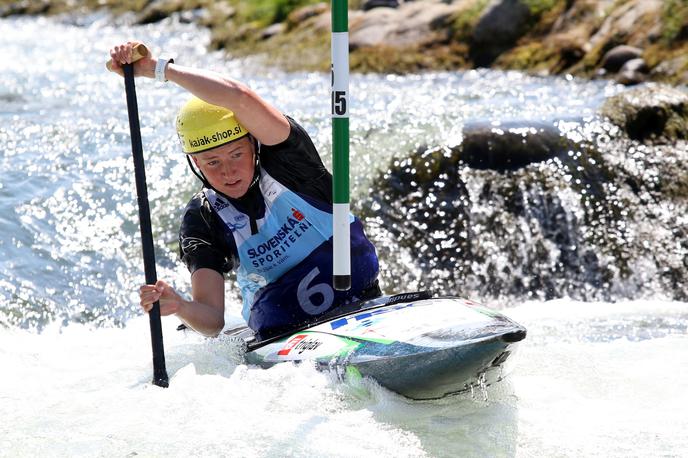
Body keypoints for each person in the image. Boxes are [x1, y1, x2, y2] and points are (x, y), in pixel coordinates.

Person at [109, 41, 380, 338]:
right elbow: (212, 320)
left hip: (364, 304)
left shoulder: (289, 161)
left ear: (253, 145)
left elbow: (239, 97)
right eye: (212, 162)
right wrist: (180, 306)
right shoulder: (203, 217)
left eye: (236, 154)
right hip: (281, 338)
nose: (227, 172)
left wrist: (157, 69)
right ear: (195, 163)